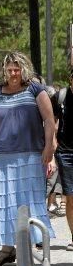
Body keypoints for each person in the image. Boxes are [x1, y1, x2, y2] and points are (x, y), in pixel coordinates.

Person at [0, 52, 56, 266]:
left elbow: (48, 120)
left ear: (23, 69)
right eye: (9, 69)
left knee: (31, 205)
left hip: (30, 156)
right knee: (3, 204)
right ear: (4, 71)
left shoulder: (36, 89)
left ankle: (38, 253)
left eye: (16, 69)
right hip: (1, 158)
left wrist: (49, 149)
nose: (13, 73)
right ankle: (7, 250)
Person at [53, 69, 73, 250]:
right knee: (71, 197)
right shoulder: (61, 97)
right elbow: (51, 122)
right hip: (66, 153)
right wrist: (53, 147)